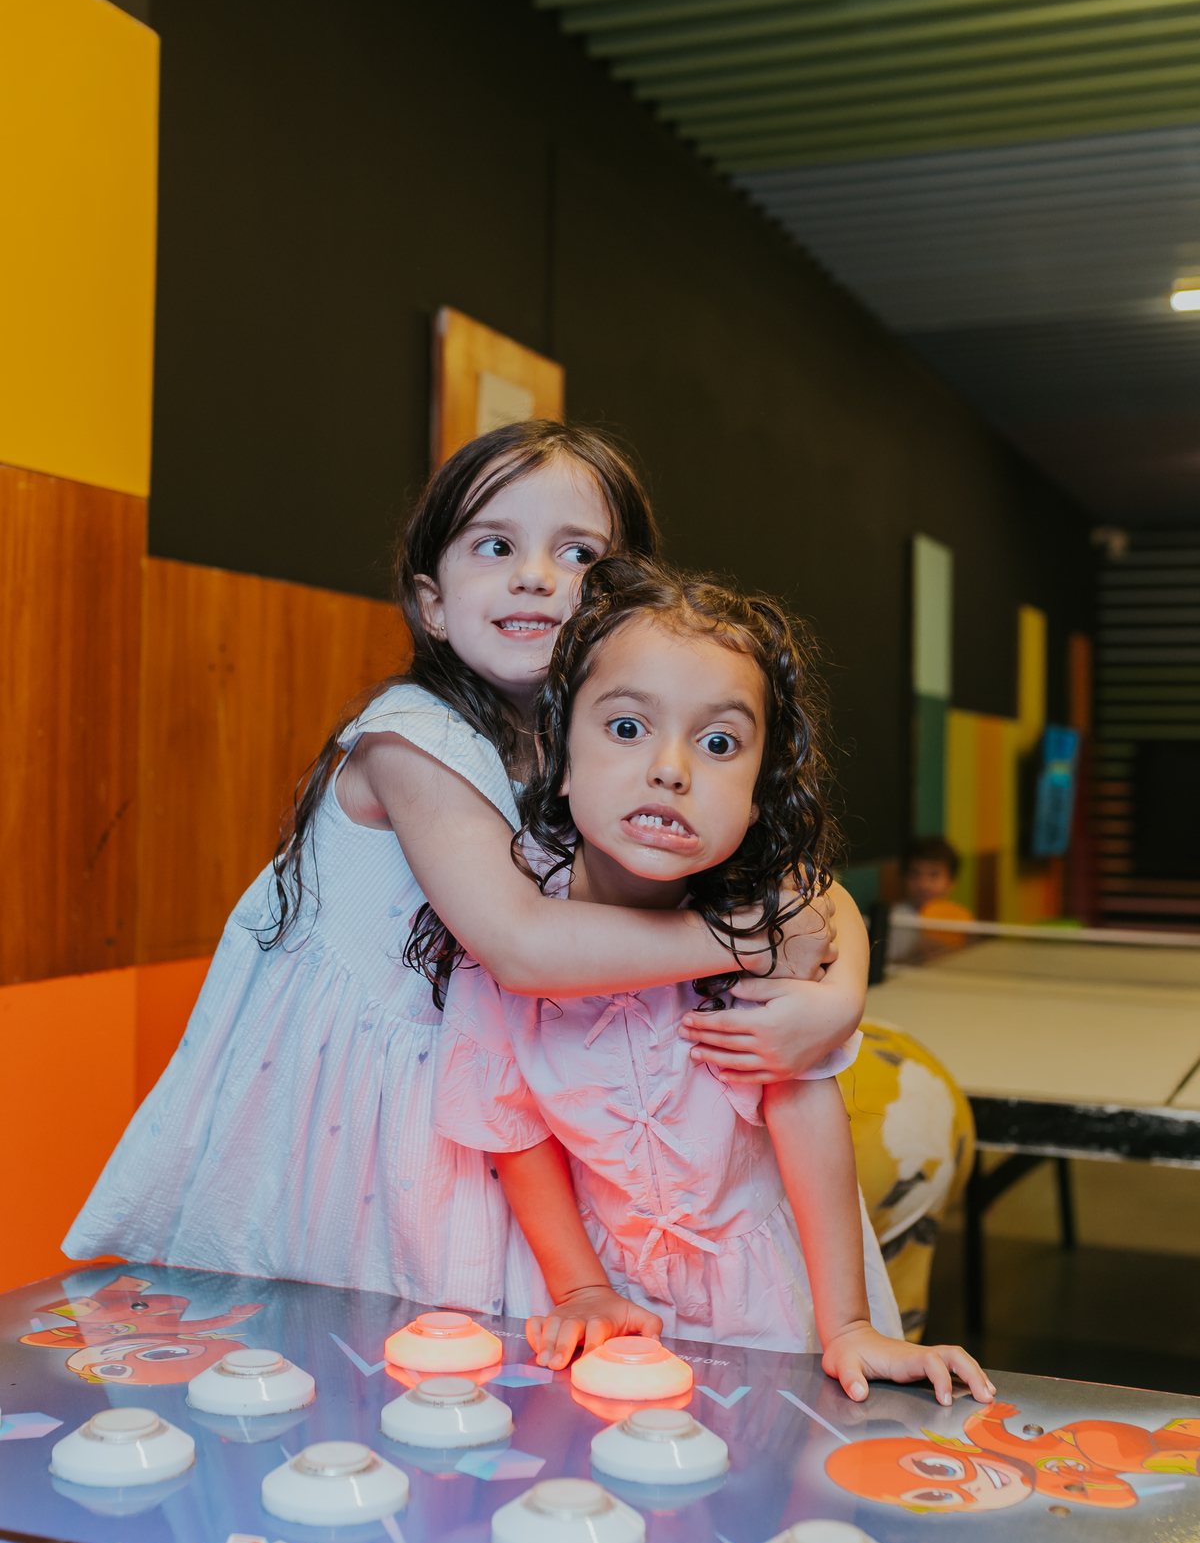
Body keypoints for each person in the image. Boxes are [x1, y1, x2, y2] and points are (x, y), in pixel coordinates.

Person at [65, 423, 863, 1308]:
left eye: (579, 555)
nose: (535, 575)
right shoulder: (415, 740)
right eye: (495, 545)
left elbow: (800, 885)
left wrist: (837, 996)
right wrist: (745, 939)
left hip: (505, 1108)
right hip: (375, 1121)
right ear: (432, 601)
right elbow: (521, 947)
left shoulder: (599, 751)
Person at [430, 558, 994, 1406]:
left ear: (760, 794)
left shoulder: (769, 937)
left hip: (767, 1301)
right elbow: (515, 1128)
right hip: (597, 1293)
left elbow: (808, 1115)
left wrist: (845, 1325)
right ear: (561, 754)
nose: (671, 769)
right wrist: (581, 1287)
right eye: (626, 729)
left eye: (719, 743)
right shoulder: (510, 931)